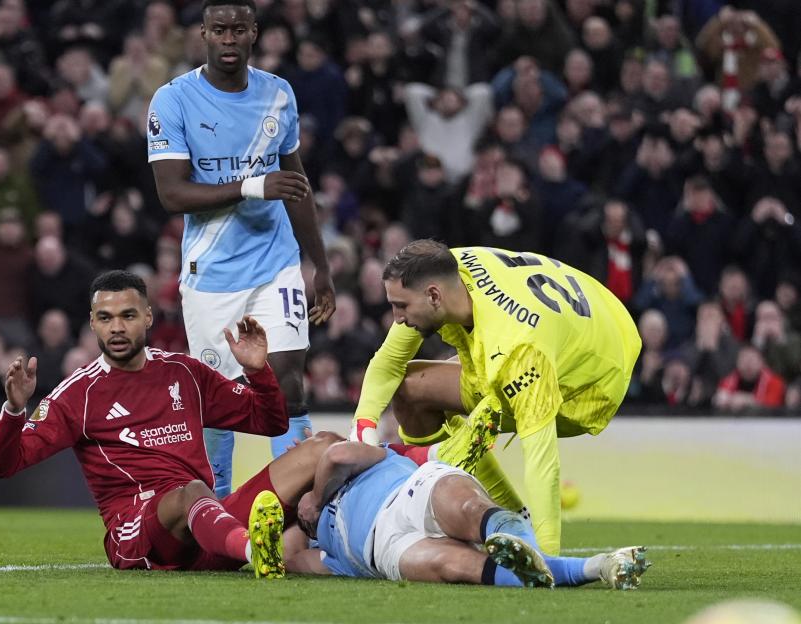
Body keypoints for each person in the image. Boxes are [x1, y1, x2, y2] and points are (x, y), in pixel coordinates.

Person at [0, 270, 340, 575]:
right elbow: (4, 465)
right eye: (106, 318)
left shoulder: (184, 372)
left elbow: (271, 422)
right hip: (139, 533)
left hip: (207, 526)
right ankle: (256, 550)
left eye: (128, 315)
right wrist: (14, 411)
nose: (117, 328)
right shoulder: (79, 393)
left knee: (323, 448)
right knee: (193, 492)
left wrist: (257, 371)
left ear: (149, 317)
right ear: (93, 322)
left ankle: (352, 544)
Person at [147, 0, 335, 497]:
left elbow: (295, 184)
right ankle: (219, 504)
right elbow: (172, 194)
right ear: (203, 34)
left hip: (275, 264)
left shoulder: (278, 95)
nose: (229, 39)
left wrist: (320, 264)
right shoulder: (173, 100)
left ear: (254, 33)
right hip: (211, 273)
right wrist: (255, 186)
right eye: (219, 30)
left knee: (288, 376)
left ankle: (298, 506)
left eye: (238, 29)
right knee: (220, 396)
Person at [349, 240, 641, 555]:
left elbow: (542, 460)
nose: (397, 317)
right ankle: (506, 513)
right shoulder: (444, 271)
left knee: (491, 395)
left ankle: (490, 501)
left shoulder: (517, 347)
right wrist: (362, 430)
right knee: (410, 391)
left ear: (434, 295)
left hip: (591, 381)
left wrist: (547, 556)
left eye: (401, 306)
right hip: (582, 315)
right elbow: (388, 362)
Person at [289, 441, 650, 590]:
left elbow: (335, 455)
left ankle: (522, 544)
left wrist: (317, 498)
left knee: (467, 509)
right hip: (383, 550)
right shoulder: (328, 553)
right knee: (461, 567)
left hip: (408, 493)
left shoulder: (368, 460)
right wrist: (299, 517)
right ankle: (598, 566)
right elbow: (291, 560)